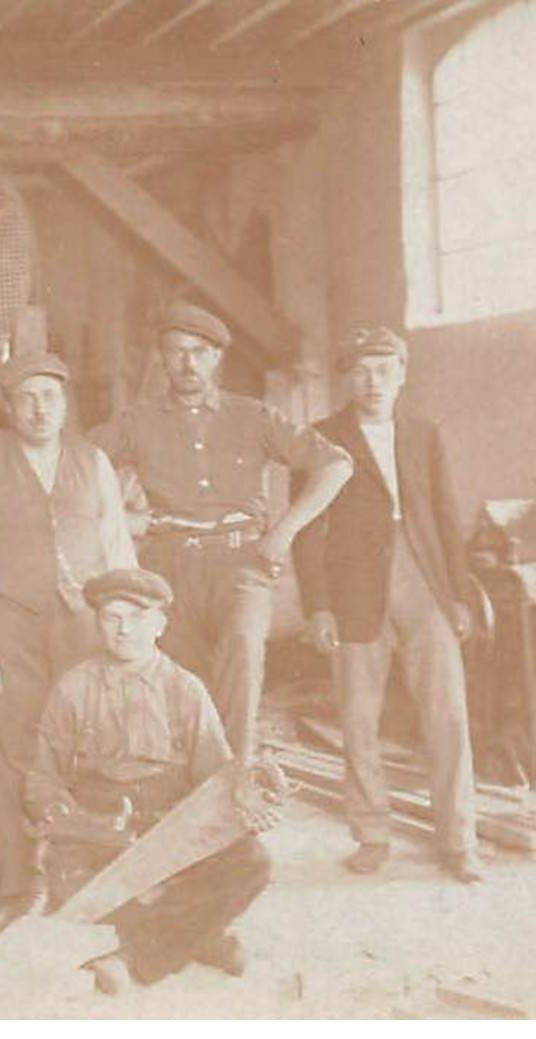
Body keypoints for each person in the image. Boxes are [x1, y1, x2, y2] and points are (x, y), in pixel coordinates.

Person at [92, 299, 352, 760]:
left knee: (242, 652)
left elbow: (335, 465)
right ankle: (191, 804)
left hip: (241, 564)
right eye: (176, 351)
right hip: (168, 566)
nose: (187, 362)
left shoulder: (252, 416)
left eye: (198, 351)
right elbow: (74, 465)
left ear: (216, 358)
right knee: (180, 684)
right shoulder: (138, 422)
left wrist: (284, 532)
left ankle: (235, 794)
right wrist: (122, 520)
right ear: (163, 359)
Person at [0, 353, 136, 916]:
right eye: (27, 397)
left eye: (49, 395)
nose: (39, 408)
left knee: (90, 746)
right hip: (11, 628)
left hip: (84, 628)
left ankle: (86, 882)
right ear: (10, 406)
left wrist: (124, 630)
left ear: (65, 403)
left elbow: (119, 549)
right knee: (17, 753)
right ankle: (24, 888)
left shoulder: (92, 462)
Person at [25, 567, 275, 993]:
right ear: (98, 624)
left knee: (251, 862)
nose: (124, 631)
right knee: (69, 894)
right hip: (100, 823)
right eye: (112, 618)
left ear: (160, 625)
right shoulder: (73, 688)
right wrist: (76, 821)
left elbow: (216, 775)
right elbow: (41, 780)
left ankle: (135, 960)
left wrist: (245, 800)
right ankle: (203, 938)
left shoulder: (184, 689)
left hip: (170, 822)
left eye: (138, 618)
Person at [291, 326, 482, 882]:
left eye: (384, 369)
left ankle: (459, 839)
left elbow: (447, 516)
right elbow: (306, 529)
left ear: (402, 375)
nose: (373, 381)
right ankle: (371, 833)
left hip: (424, 580)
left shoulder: (424, 434)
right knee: (357, 717)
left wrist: (459, 595)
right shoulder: (320, 438)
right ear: (347, 378)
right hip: (354, 590)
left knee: (447, 714)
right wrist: (318, 607)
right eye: (362, 370)